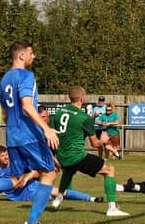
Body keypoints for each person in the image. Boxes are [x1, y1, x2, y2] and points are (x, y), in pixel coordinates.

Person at [0, 40, 59, 224]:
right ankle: (31, 222)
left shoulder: (5, 79)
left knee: (16, 177)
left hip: (13, 136)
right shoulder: (26, 75)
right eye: (31, 53)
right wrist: (46, 129)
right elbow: (27, 105)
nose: (34, 56)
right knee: (49, 173)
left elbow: (5, 115)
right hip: (29, 136)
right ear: (21, 55)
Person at [52, 85, 129, 217]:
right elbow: (95, 144)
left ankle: (58, 198)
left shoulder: (59, 112)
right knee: (109, 169)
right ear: (82, 98)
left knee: (69, 170)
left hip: (62, 155)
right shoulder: (84, 117)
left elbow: (56, 132)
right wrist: (104, 140)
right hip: (76, 155)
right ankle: (112, 208)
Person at [0, 145, 103, 209]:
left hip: (31, 186)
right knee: (43, 197)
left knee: (58, 191)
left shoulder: (17, 162)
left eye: (6, 154)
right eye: (2, 156)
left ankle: (92, 198)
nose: (6, 157)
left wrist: (28, 177)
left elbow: (37, 172)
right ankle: (45, 199)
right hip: (20, 196)